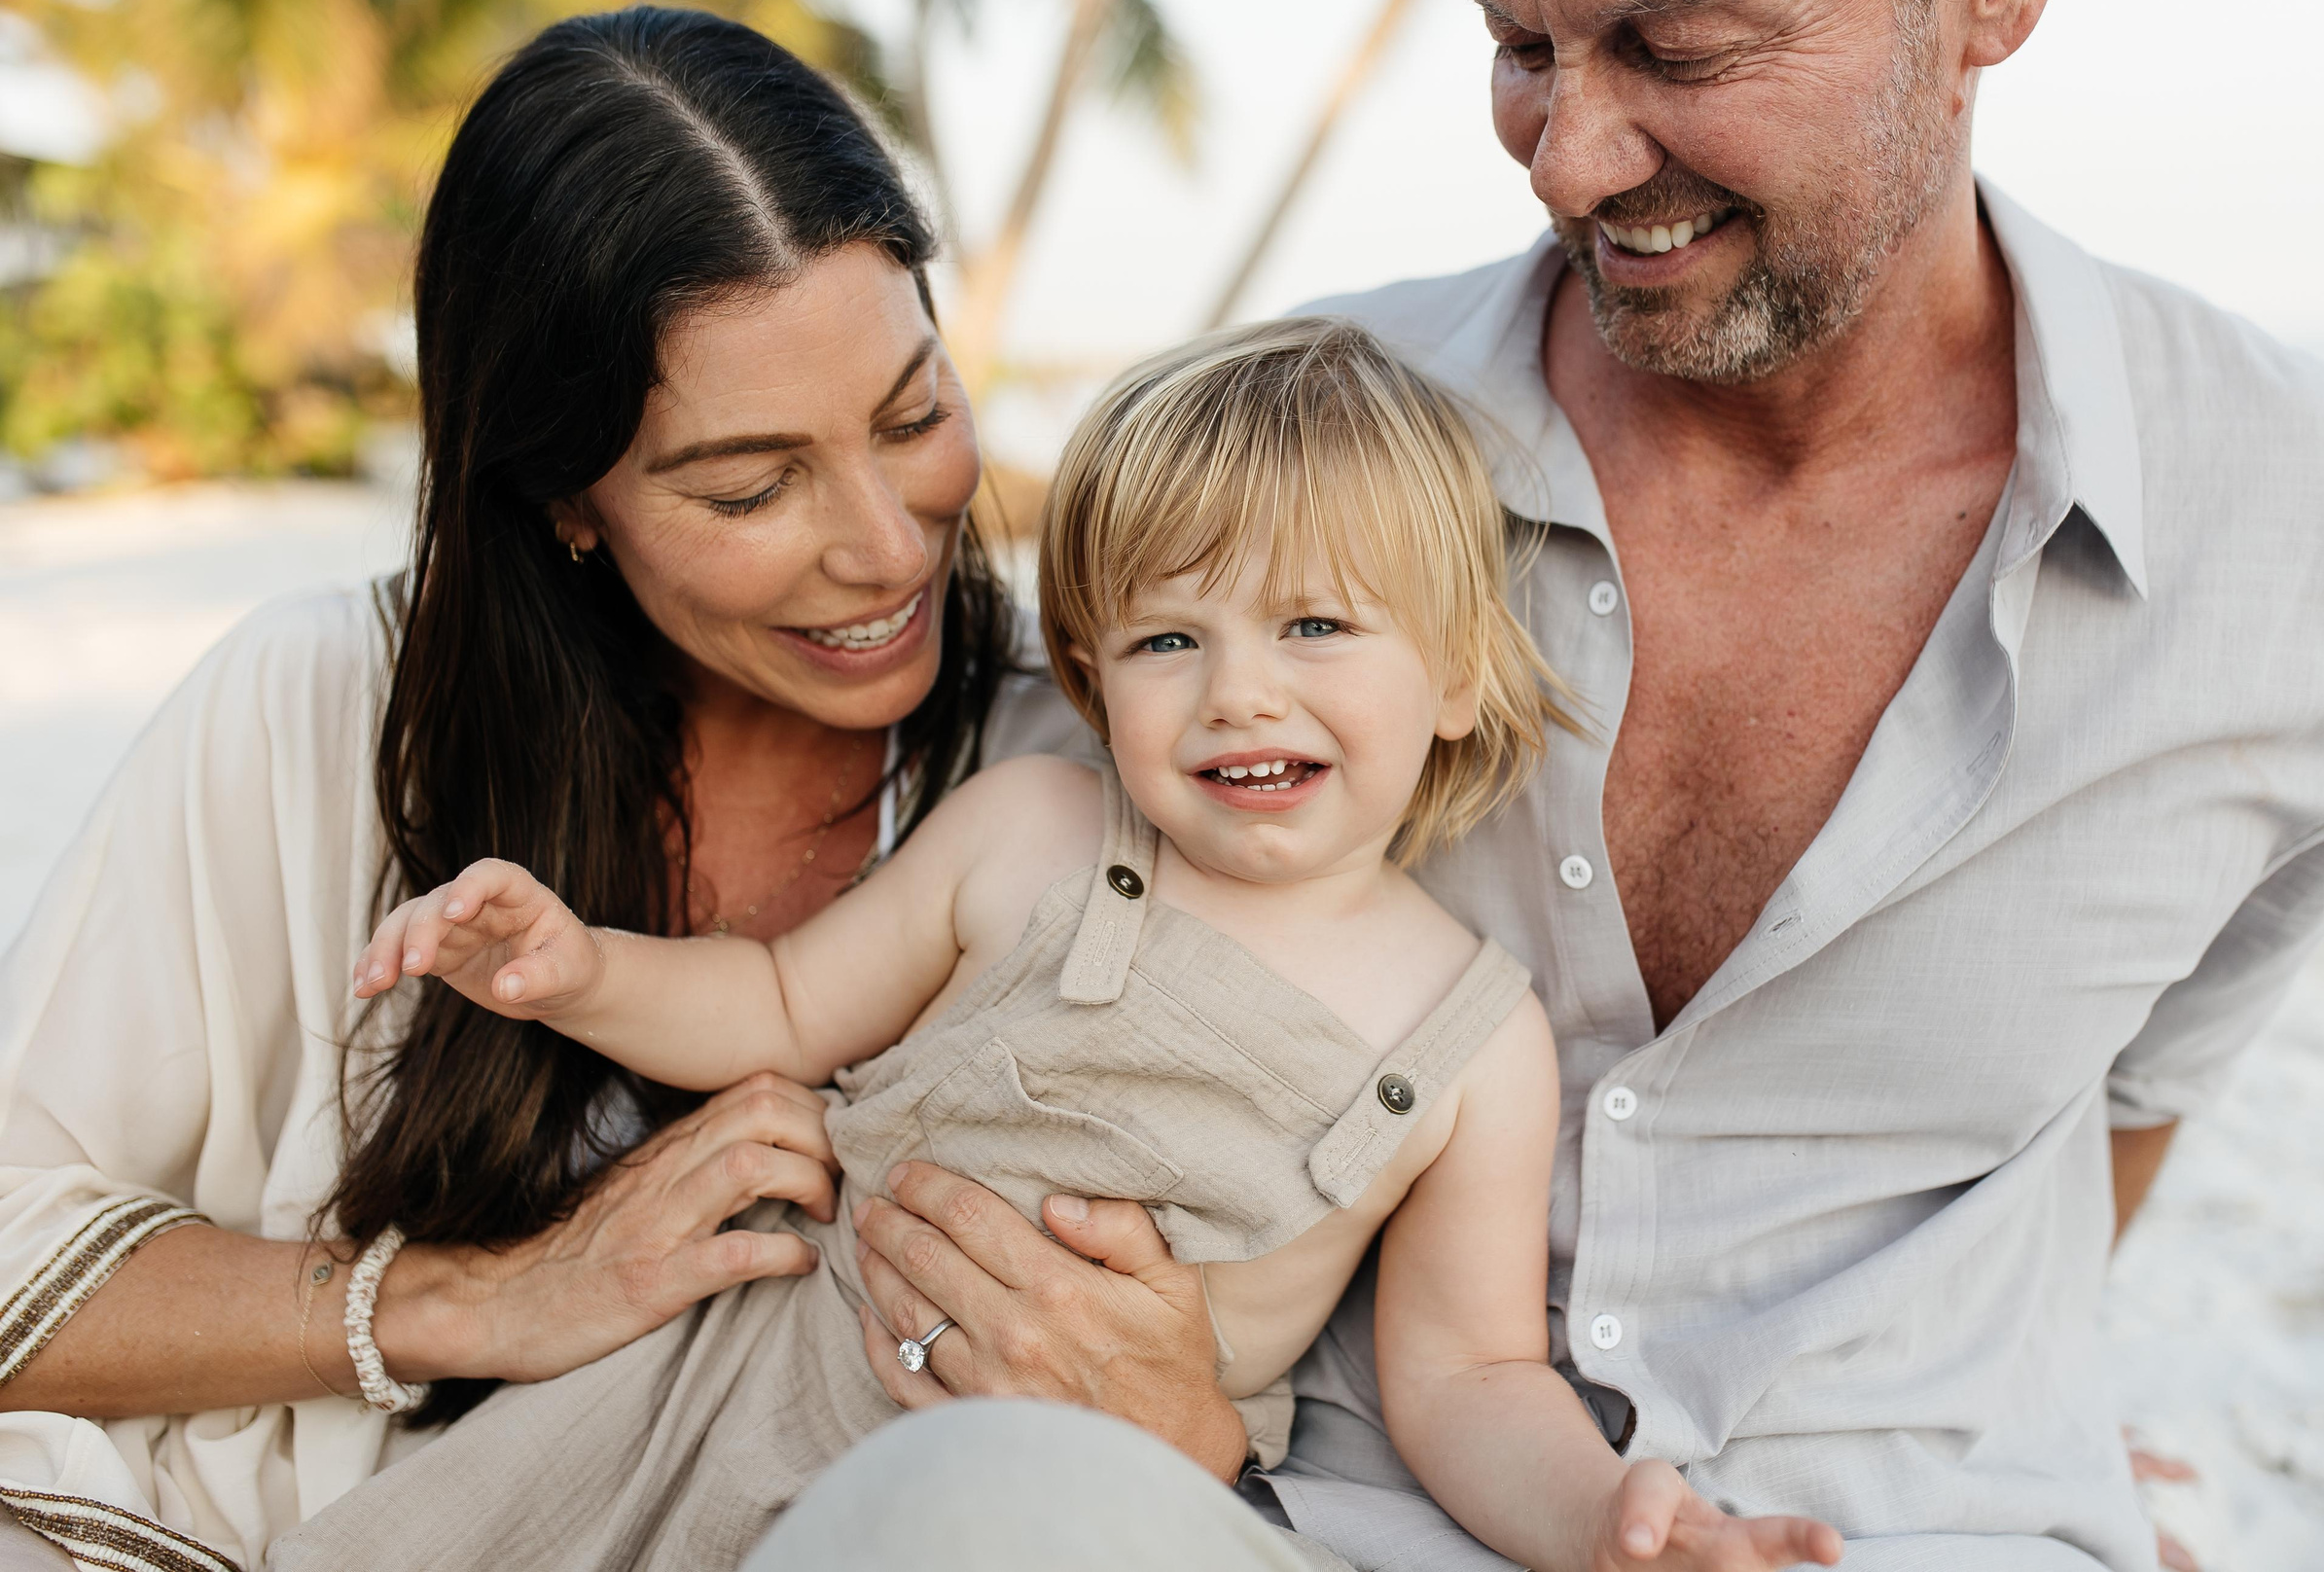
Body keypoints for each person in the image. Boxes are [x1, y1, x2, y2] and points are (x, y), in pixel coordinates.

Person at [757, 0, 2324, 1569]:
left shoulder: (2317, 532)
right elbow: (991, 918)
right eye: (1517, 48)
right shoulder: (1300, 440)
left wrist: (2056, 1431)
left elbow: (2135, 1104)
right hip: (1282, 1508)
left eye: (1680, 47)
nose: (1565, 160)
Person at [281, 319, 1845, 1572]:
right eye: (1173, 638)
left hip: (1067, 1506)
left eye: (1315, 627)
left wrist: (1600, 1526)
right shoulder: (1034, 829)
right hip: (734, 1384)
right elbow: (775, 1003)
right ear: (1093, 677)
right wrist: (581, 970)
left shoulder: (1470, 1038)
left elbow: (1469, 1380)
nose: (1240, 693)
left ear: (1452, 674)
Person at [0, 7, 1076, 1571]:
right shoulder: (318, 710)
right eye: (752, 485)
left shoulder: (1097, 761)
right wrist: (485, 1299)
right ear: (563, 493)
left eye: (914, 415)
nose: (891, 546)